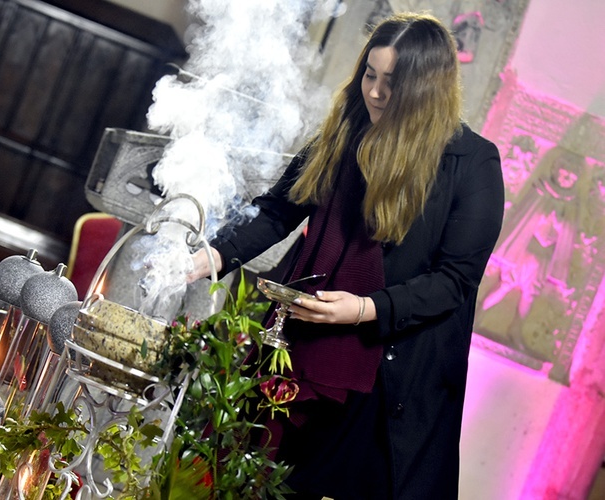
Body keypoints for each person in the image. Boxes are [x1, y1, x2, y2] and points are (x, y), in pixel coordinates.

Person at [190, 12, 505, 499]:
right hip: (305, 352)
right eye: (369, 76)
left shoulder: (472, 162)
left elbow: (454, 281)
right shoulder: (345, 134)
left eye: (391, 83)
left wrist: (363, 309)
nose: (375, 93)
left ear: (427, 88)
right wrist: (211, 257)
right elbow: (278, 211)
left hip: (388, 380)